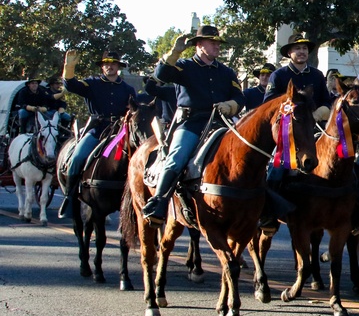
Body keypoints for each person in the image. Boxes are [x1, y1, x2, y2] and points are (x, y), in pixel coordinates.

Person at [141, 25, 244, 224]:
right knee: (177, 157)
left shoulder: (226, 72)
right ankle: (159, 201)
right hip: (191, 123)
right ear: (199, 45)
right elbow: (161, 74)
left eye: (217, 43)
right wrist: (174, 53)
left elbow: (239, 98)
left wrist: (229, 105)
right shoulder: (183, 66)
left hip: (220, 122)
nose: (216, 46)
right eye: (212, 42)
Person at [260, 34, 333, 233]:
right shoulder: (279, 75)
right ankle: (268, 212)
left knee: (337, 158)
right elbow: (268, 103)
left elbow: (327, 100)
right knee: (276, 166)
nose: (301, 52)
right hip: (287, 131)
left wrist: (322, 111)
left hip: (313, 127)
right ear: (290, 53)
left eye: (304, 48)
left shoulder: (317, 75)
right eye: (297, 48)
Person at [62, 50, 138, 210]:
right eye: (106, 64)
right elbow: (70, 85)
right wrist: (69, 68)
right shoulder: (92, 84)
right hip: (97, 130)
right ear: (102, 67)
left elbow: (134, 110)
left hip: (119, 133)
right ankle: (70, 197)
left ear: (118, 66)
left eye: (113, 63)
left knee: (138, 158)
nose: (110, 66)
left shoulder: (128, 89)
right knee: (77, 157)